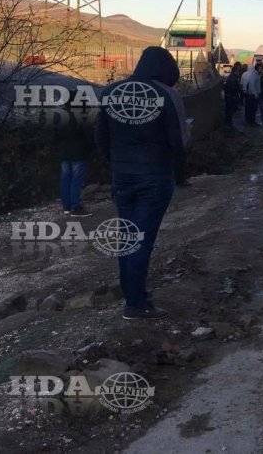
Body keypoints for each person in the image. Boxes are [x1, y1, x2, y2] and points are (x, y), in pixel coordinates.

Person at [95, 46, 186, 320]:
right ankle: (134, 303)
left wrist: (117, 164)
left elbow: (101, 138)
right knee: (142, 240)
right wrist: (179, 174)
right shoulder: (167, 95)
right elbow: (180, 142)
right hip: (155, 177)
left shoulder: (111, 92)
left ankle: (131, 293)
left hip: (122, 177)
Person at [55, 97, 95, 217]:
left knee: (65, 179)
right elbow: (89, 136)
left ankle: (66, 207)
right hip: (79, 153)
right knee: (76, 181)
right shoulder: (82, 116)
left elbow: (55, 135)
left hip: (63, 153)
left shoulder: (59, 115)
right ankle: (75, 207)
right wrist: (91, 149)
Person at [241, 62, 262, 127]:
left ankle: (248, 121)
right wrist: (256, 94)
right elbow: (252, 85)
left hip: (246, 93)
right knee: (253, 109)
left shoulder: (244, 74)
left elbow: (241, 83)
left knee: (248, 108)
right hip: (252, 95)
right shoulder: (254, 74)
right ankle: (252, 122)